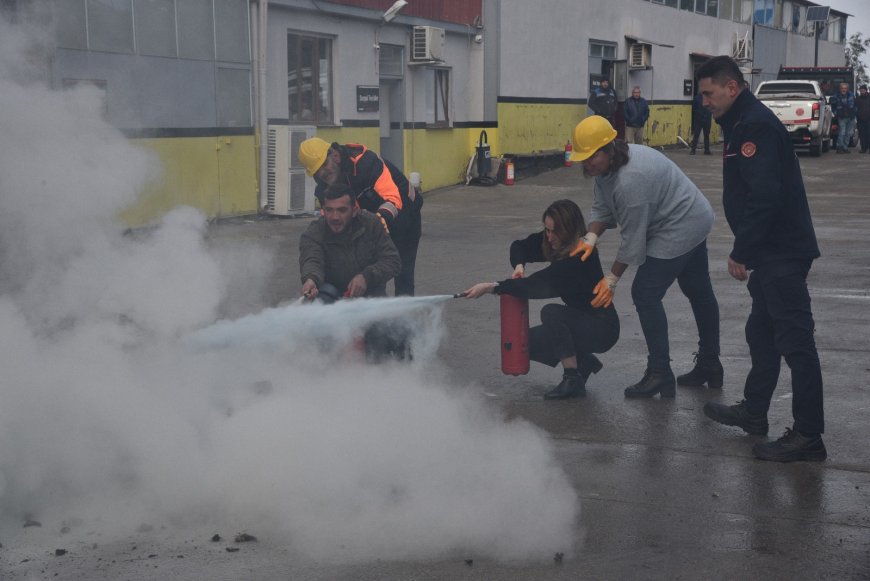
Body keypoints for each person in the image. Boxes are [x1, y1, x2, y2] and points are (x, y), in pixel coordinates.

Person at [696, 55, 825, 462]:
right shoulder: (742, 122)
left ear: (732, 87)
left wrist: (742, 251)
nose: (705, 102)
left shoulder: (754, 125)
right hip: (773, 252)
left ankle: (808, 436)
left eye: (709, 93)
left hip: (781, 252)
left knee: (796, 344)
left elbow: (764, 197)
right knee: (761, 335)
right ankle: (754, 412)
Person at [570, 115, 722, 399]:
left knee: (645, 293)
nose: (586, 163)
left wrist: (612, 278)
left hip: (681, 223)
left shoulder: (631, 182)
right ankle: (711, 365)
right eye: (583, 158)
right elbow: (602, 207)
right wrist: (591, 236)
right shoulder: (607, 170)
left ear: (608, 149)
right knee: (698, 291)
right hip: (685, 215)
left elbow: (633, 242)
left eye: (591, 156)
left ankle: (660, 372)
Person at [462, 200, 619, 399]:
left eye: (555, 231)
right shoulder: (553, 241)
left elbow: (535, 286)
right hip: (580, 320)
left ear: (569, 231)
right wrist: (519, 265)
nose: (549, 237)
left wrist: (491, 287)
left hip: (603, 329)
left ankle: (572, 379)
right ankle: (584, 362)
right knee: (526, 343)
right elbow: (520, 246)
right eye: (547, 230)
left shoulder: (579, 259)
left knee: (551, 312)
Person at [298, 137, 423, 296]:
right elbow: (326, 224)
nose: (323, 173)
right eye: (317, 171)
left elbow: (393, 199)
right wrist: (312, 276)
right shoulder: (324, 190)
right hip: (371, 222)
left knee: (403, 272)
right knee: (370, 276)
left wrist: (379, 221)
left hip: (405, 217)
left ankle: (405, 317)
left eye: (324, 165)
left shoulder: (368, 164)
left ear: (335, 155)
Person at [830, 82, 857, 153]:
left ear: (847, 89)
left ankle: (845, 147)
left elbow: (855, 105)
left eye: (845, 88)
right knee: (842, 132)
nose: (843, 90)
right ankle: (839, 147)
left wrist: (854, 112)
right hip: (841, 117)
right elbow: (833, 106)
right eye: (842, 88)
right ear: (840, 89)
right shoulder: (836, 96)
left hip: (851, 117)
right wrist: (836, 113)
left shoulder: (851, 95)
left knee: (849, 133)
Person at [856, 85, 870, 154]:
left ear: (866, 90)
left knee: (868, 134)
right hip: (860, 119)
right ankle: (863, 148)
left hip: (868, 119)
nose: (862, 91)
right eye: (861, 90)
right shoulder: (858, 98)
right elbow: (855, 108)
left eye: (863, 90)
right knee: (862, 134)